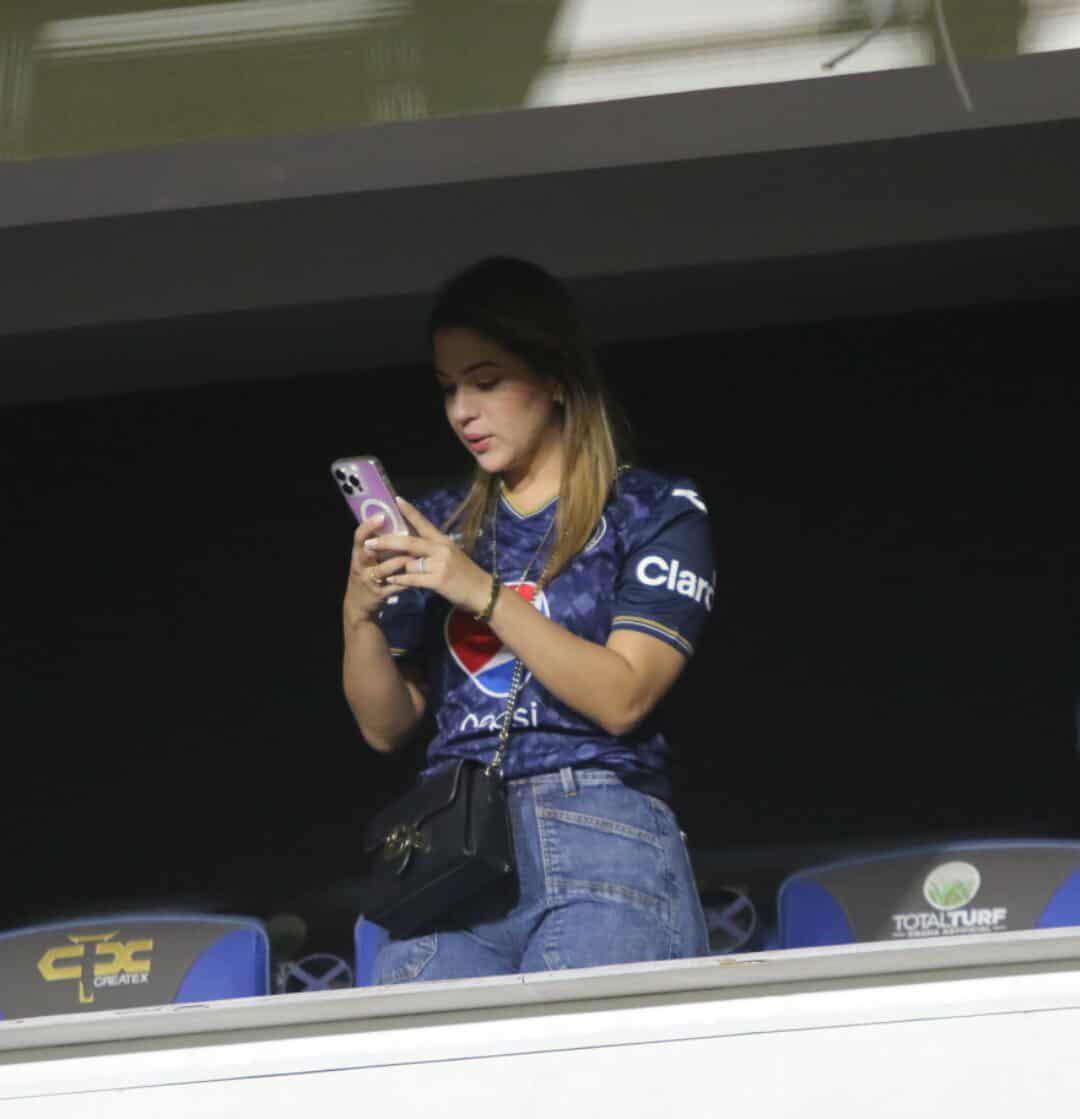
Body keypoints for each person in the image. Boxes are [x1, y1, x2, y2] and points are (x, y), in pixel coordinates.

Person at [342, 257, 715, 983]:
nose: (462, 412)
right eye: (449, 389)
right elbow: (385, 725)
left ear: (553, 376)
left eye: (485, 381)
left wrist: (479, 591)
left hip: (599, 826)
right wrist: (358, 617)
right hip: (451, 846)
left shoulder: (652, 507)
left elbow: (623, 695)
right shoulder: (446, 521)